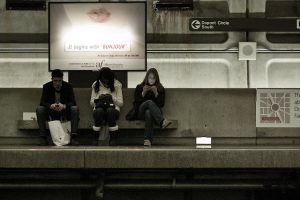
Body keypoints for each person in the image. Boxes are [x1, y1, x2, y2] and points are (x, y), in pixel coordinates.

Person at [36, 69, 79, 145]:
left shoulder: (68, 86)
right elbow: (42, 102)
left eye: (59, 81)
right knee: (40, 109)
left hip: (64, 112)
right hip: (51, 112)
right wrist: (50, 105)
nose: (57, 83)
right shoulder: (46, 86)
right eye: (55, 81)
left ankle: (73, 137)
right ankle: (43, 137)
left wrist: (64, 106)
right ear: (52, 79)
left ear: (62, 79)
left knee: (75, 109)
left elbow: (73, 102)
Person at [133, 68, 172, 146]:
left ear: (156, 79)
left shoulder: (160, 88)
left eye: (154, 78)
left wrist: (156, 94)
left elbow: (161, 104)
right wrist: (143, 93)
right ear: (147, 77)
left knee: (149, 112)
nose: (151, 80)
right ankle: (162, 122)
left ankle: (147, 140)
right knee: (149, 103)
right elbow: (136, 102)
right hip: (141, 112)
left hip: (155, 114)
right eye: (150, 77)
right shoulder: (140, 87)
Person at [90, 67, 123, 137]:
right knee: (99, 111)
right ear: (100, 78)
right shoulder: (96, 84)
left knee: (110, 111)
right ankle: (95, 138)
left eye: (107, 80)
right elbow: (92, 103)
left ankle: (113, 139)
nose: (105, 82)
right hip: (99, 109)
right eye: (103, 80)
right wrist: (99, 98)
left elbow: (120, 103)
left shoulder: (117, 85)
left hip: (113, 110)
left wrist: (111, 98)